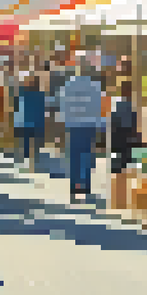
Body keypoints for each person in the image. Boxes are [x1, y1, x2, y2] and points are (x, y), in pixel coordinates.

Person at [58, 64, 107, 202]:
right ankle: (85, 185)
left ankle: (74, 186)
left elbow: (64, 106)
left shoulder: (68, 86)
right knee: (86, 155)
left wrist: (63, 124)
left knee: (74, 156)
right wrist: (99, 126)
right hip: (88, 125)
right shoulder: (94, 87)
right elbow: (98, 108)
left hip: (73, 125)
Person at [108, 80, 143, 209]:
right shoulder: (133, 106)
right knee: (130, 171)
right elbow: (135, 126)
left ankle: (118, 201)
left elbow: (112, 123)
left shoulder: (116, 105)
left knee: (118, 171)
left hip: (118, 140)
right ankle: (126, 201)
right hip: (128, 140)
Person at [14, 75, 46, 173]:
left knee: (28, 144)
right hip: (33, 123)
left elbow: (18, 108)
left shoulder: (22, 94)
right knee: (32, 145)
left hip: (26, 123)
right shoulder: (39, 95)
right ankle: (32, 163)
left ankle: (30, 163)